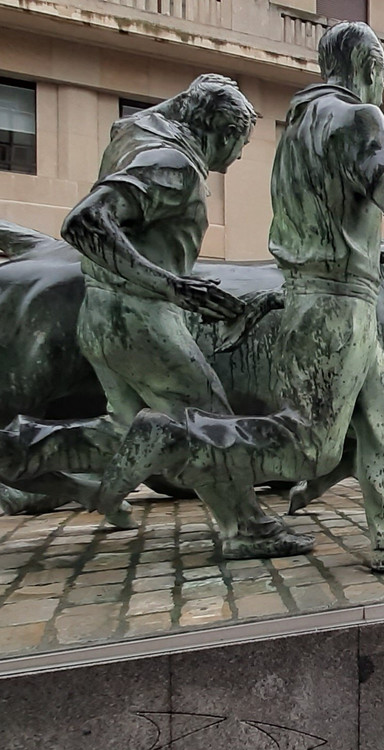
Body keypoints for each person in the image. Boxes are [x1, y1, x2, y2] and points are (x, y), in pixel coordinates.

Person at [96, 22, 384, 571]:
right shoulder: (359, 117)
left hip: (317, 298)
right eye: (382, 76)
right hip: (338, 305)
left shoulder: (297, 126)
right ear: (370, 68)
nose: (382, 87)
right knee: (309, 446)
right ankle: (176, 436)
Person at [59, 74, 311, 558]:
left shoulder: (141, 137)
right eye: (238, 143)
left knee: (125, 429)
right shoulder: (171, 163)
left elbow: (133, 122)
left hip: (103, 313)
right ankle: (246, 528)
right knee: (210, 417)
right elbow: (84, 221)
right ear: (218, 132)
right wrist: (173, 285)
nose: (236, 158)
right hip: (140, 317)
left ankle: (21, 457)